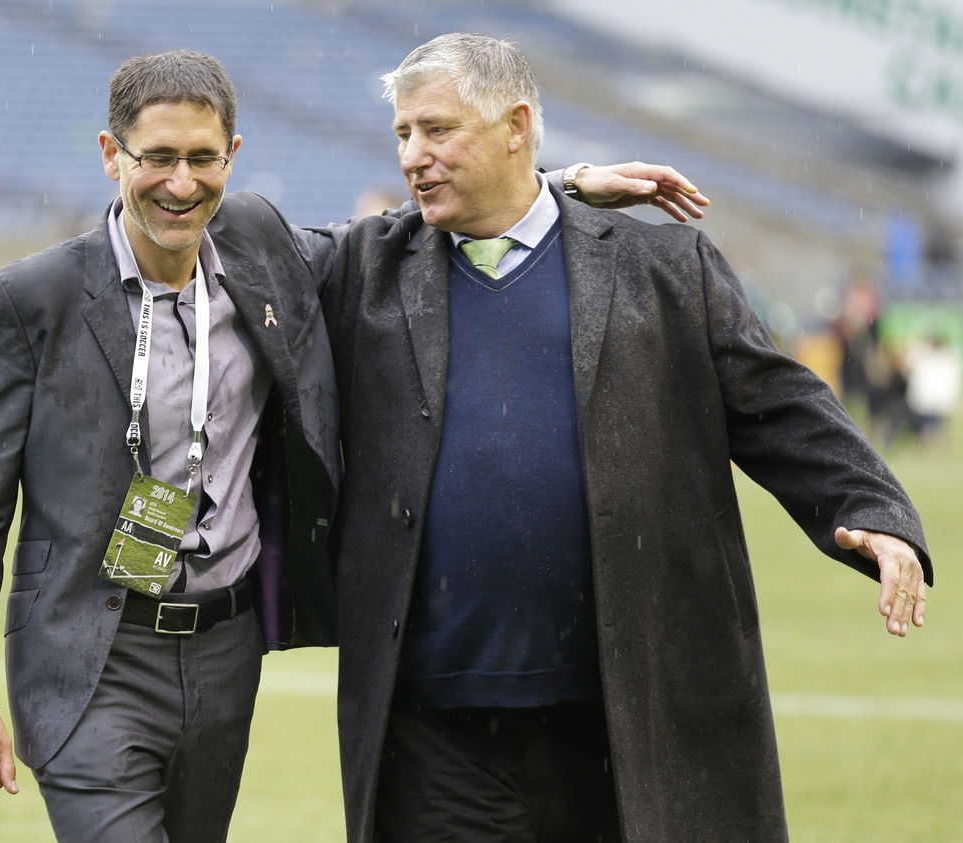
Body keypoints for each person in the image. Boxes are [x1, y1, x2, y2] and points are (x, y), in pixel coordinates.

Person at [0, 50, 704, 843]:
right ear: (109, 155)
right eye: (156, 158)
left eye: (202, 158)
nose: (181, 183)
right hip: (90, 654)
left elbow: (388, 235)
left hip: (226, 652)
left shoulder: (262, 246)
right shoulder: (32, 299)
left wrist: (560, 187)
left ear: (233, 154)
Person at [319, 33, 931, 842]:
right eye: (403, 135)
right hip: (434, 729)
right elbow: (245, 246)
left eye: (437, 130)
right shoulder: (368, 270)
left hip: (622, 715)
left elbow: (781, 407)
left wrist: (878, 515)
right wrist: (564, 179)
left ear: (516, 125)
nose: (414, 156)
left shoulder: (666, 268)